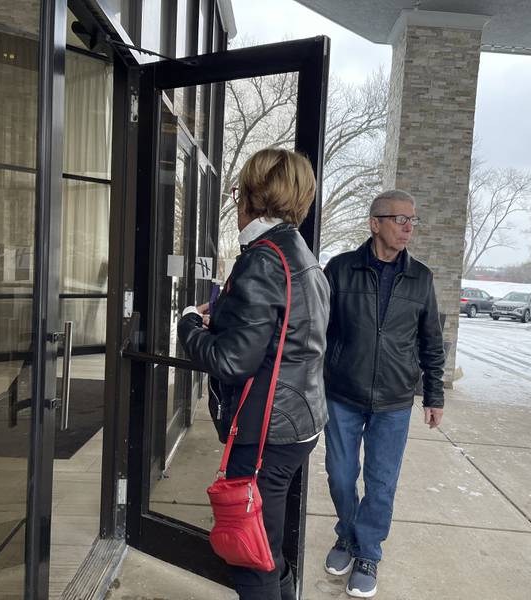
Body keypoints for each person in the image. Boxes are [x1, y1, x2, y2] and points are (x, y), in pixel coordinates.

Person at [177, 148, 329, 600]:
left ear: (248, 198)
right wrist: (223, 321)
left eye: (237, 192)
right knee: (269, 543)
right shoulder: (298, 254)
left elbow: (231, 362)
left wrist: (187, 323)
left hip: (268, 430)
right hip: (297, 421)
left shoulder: (262, 258)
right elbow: (284, 336)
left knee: (251, 554)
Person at [322, 189, 446, 598]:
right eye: (400, 219)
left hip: (394, 400)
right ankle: (347, 534)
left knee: (381, 482)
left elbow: (431, 341)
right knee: (341, 475)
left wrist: (434, 395)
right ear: (375, 223)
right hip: (343, 392)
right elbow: (318, 334)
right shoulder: (339, 269)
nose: (409, 227)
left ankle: (368, 551)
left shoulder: (421, 277)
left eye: (413, 220)